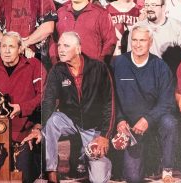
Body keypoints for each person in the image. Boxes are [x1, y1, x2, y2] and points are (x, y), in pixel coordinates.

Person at [23, 31, 115, 182]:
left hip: (93, 127)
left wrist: (105, 135)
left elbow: (109, 104)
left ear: (78, 49)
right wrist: (39, 126)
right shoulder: (57, 70)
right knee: (52, 121)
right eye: (59, 45)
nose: (61, 49)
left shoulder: (99, 68)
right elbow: (48, 101)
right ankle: (51, 171)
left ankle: (95, 160)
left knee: (98, 179)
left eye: (66, 46)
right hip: (71, 120)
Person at [112, 25, 178, 183]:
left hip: (154, 121)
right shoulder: (119, 63)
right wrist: (120, 119)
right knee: (133, 178)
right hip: (130, 127)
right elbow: (111, 97)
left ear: (150, 42)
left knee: (170, 122)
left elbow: (167, 102)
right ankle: (146, 161)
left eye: (142, 40)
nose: (137, 44)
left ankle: (167, 170)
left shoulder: (160, 67)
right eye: (134, 40)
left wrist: (148, 119)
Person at [0, 31, 46, 183]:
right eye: (3, 46)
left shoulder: (34, 65)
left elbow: (45, 96)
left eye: (11, 46)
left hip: (24, 131)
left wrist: (22, 107)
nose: (7, 50)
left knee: (23, 177)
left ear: (20, 49)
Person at [127, 0, 181, 73]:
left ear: (163, 7)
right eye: (147, 5)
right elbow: (130, 60)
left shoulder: (179, 29)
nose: (149, 9)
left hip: (171, 80)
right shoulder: (136, 28)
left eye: (154, 5)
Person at [49, 0, 117, 63]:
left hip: (90, 71)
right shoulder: (60, 12)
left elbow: (110, 42)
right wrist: (55, 62)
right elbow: (53, 40)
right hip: (64, 70)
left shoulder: (101, 14)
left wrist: (99, 66)